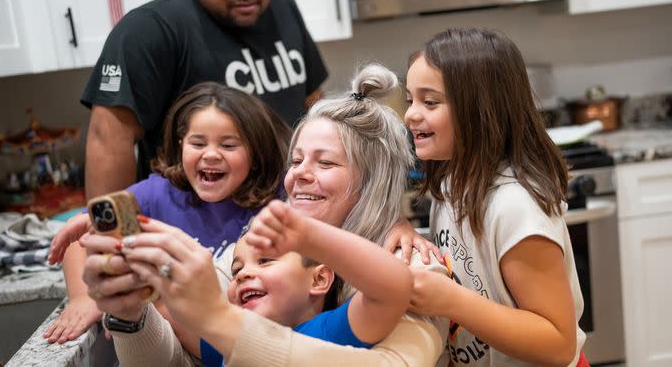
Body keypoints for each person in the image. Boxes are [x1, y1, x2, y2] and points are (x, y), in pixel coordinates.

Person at [49, 0, 329, 342]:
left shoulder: (285, 10)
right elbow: (110, 142)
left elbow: (316, 105)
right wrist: (96, 287)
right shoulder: (151, 31)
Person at [79, 64, 450, 366]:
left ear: (372, 180)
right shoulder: (258, 246)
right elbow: (179, 353)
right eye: (296, 160)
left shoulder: (414, 264)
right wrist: (132, 314)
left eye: (324, 162)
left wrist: (218, 320)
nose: (299, 174)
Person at [45, 81, 290, 344]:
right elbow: (80, 234)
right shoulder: (159, 195)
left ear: (255, 154)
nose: (211, 154)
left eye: (228, 145)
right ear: (181, 144)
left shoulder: (273, 201)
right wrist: (83, 298)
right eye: (198, 143)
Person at [400, 27, 586, 366]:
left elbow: (558, 343)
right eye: (410, 99)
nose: (410, 114)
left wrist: (451, 301)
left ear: (479, 110)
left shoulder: (515, 208)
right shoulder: (453, 183)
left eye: (430, 102)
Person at [196, 197, 413, 367]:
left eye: (265, 261)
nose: (242, 274)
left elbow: (393, 291)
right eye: (236, 270)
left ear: (319, 279)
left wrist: (310, 236)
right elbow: (176, 317)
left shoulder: (325, 333)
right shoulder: (228, 335)